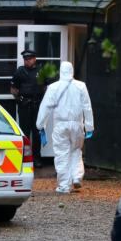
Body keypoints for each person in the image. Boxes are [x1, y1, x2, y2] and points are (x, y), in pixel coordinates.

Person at [36, 61, 94, 194]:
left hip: (60, 125)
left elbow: (45, 107)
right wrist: (89, 127)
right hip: (77, 125)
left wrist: (40, 125)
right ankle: (76, 177)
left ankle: (63, 186)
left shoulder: (53, 87)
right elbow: (87, 107)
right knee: (76, 151)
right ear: (72, 71)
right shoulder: (81, 86)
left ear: (60, 71)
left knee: (62, 154)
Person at [11, 49, 46, 166]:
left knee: (36, 133)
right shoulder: (20, 71)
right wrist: (19, 99)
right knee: (25, 133)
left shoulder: (41, 71)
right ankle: (24, 158)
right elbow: (13, 89)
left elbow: (47, 88)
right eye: (25, 59)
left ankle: (37, 158)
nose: (27, 61)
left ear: (34, 59)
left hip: (37, 105)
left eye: (29, 59)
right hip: (24, 106)